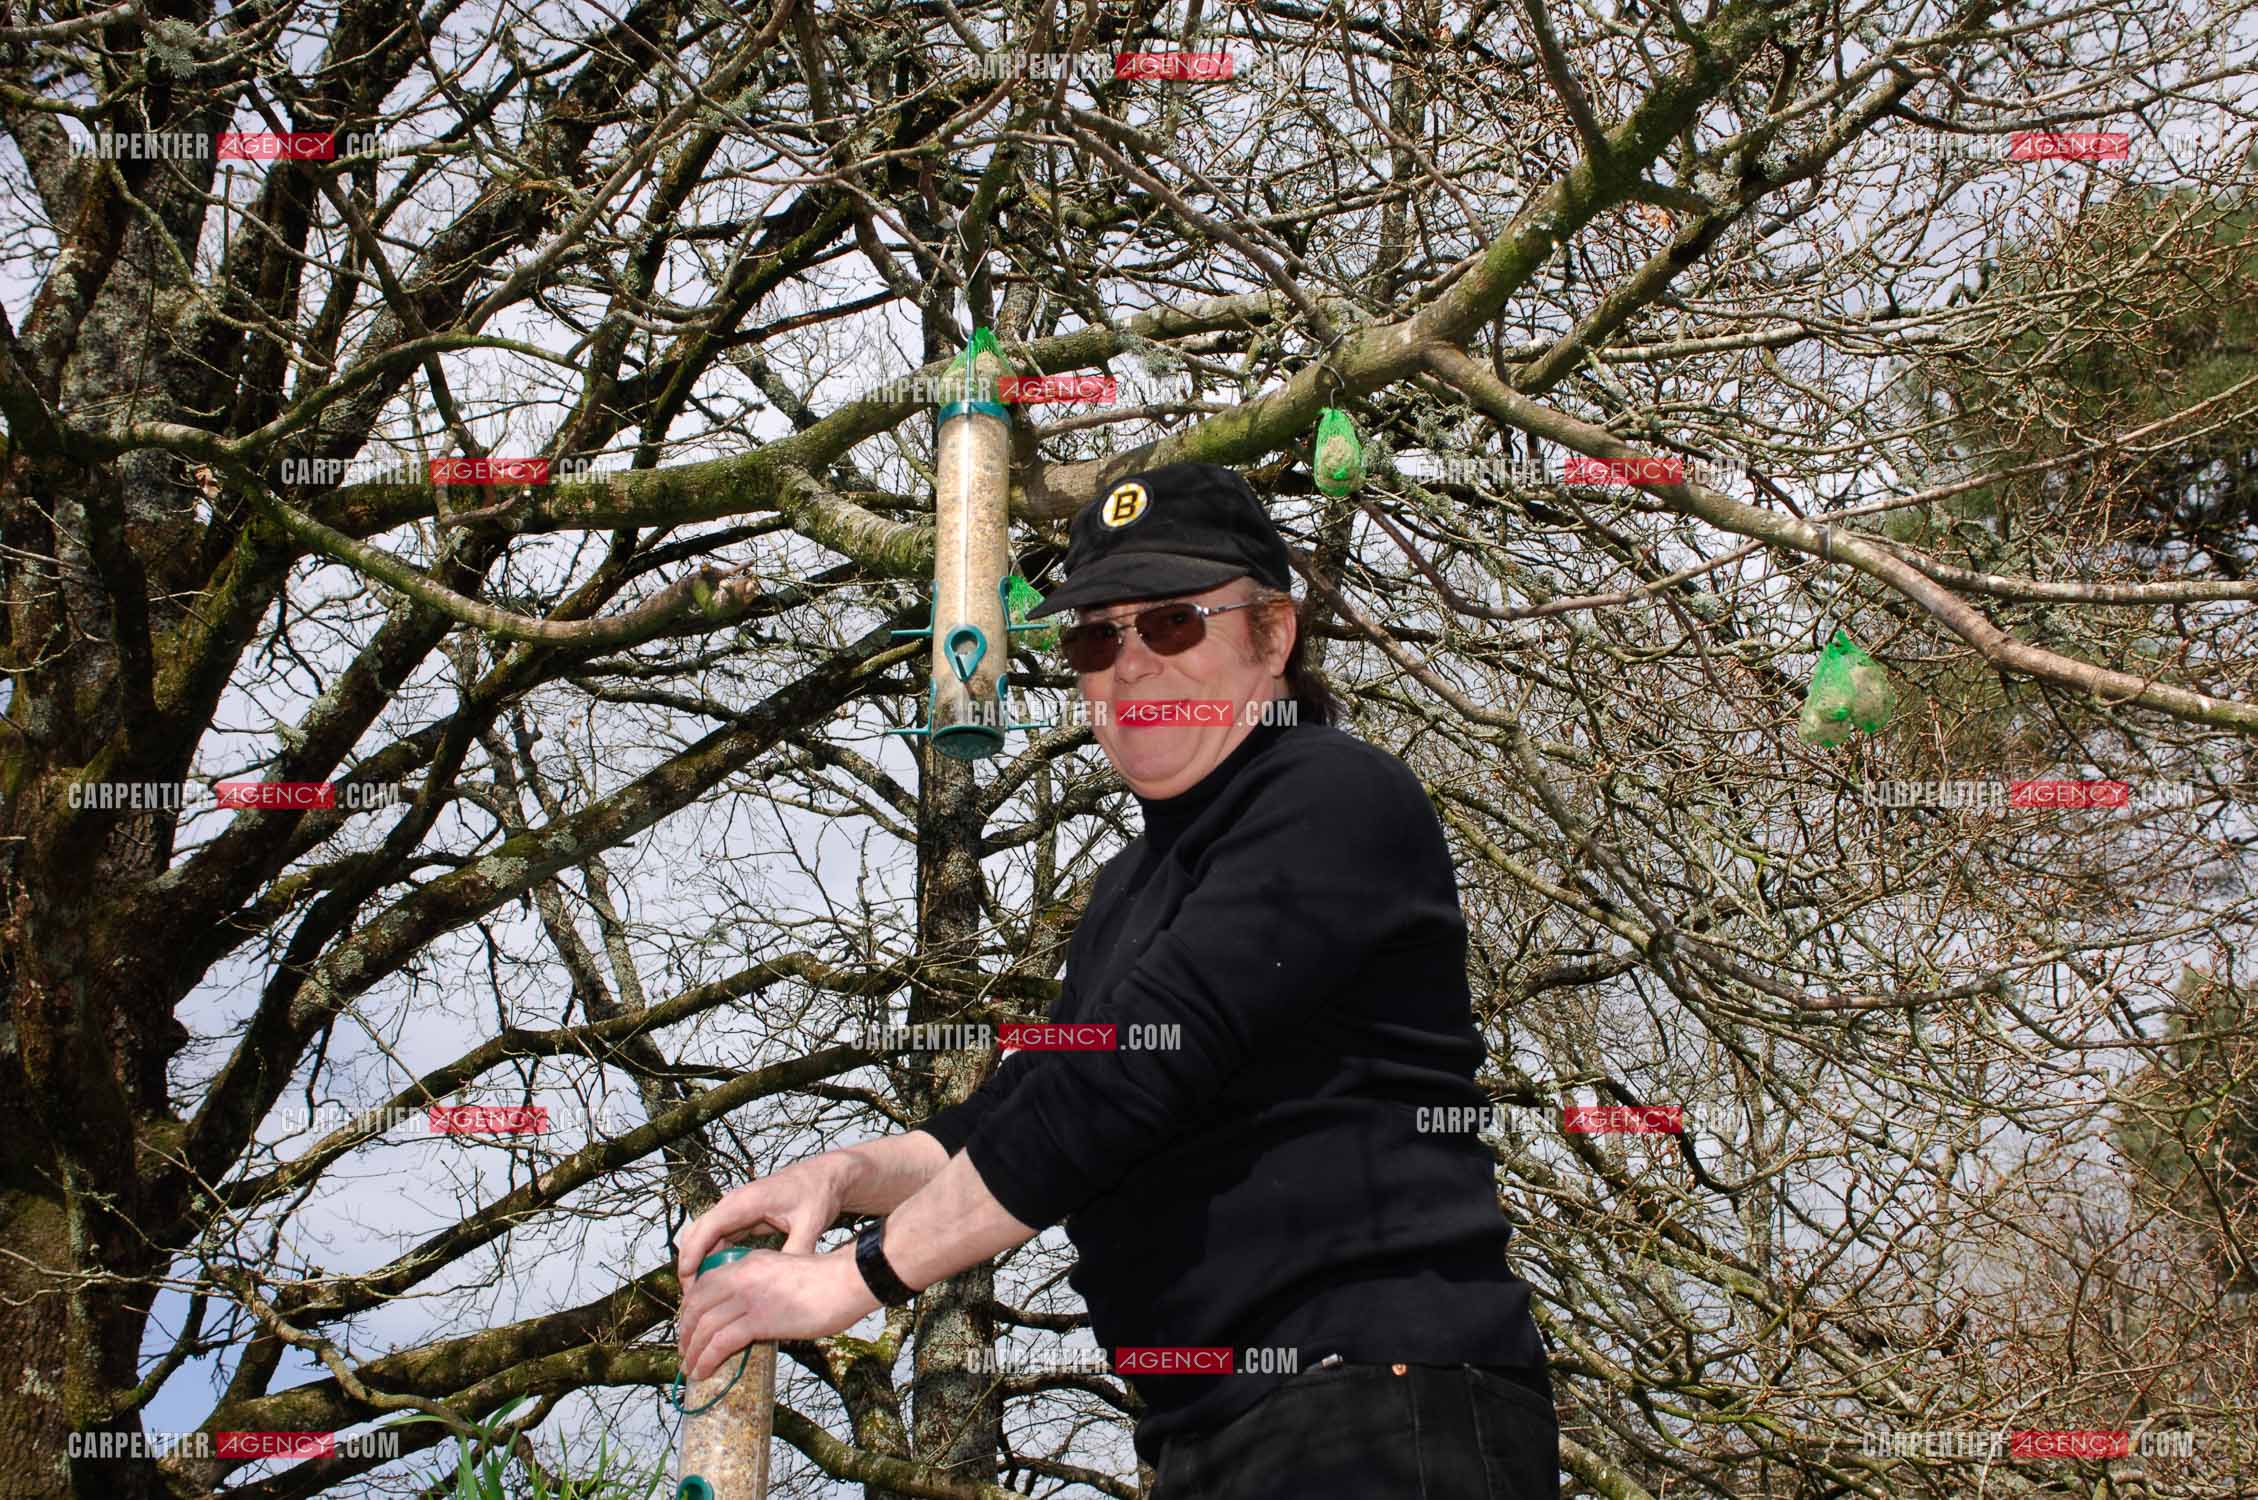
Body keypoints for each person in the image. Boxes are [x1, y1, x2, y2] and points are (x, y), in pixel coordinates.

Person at [678, 462, 1559, 1498]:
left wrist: (854, 1276)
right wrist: (844, 1176)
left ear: (1272, 634)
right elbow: (1018, 1114)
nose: (1128, 665)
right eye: (1096, 636)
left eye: (1173, 623)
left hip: (1373, 1407)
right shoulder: (1128, 891)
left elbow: (1123, 1084)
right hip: (1212, 1434)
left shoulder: (1329, 796)